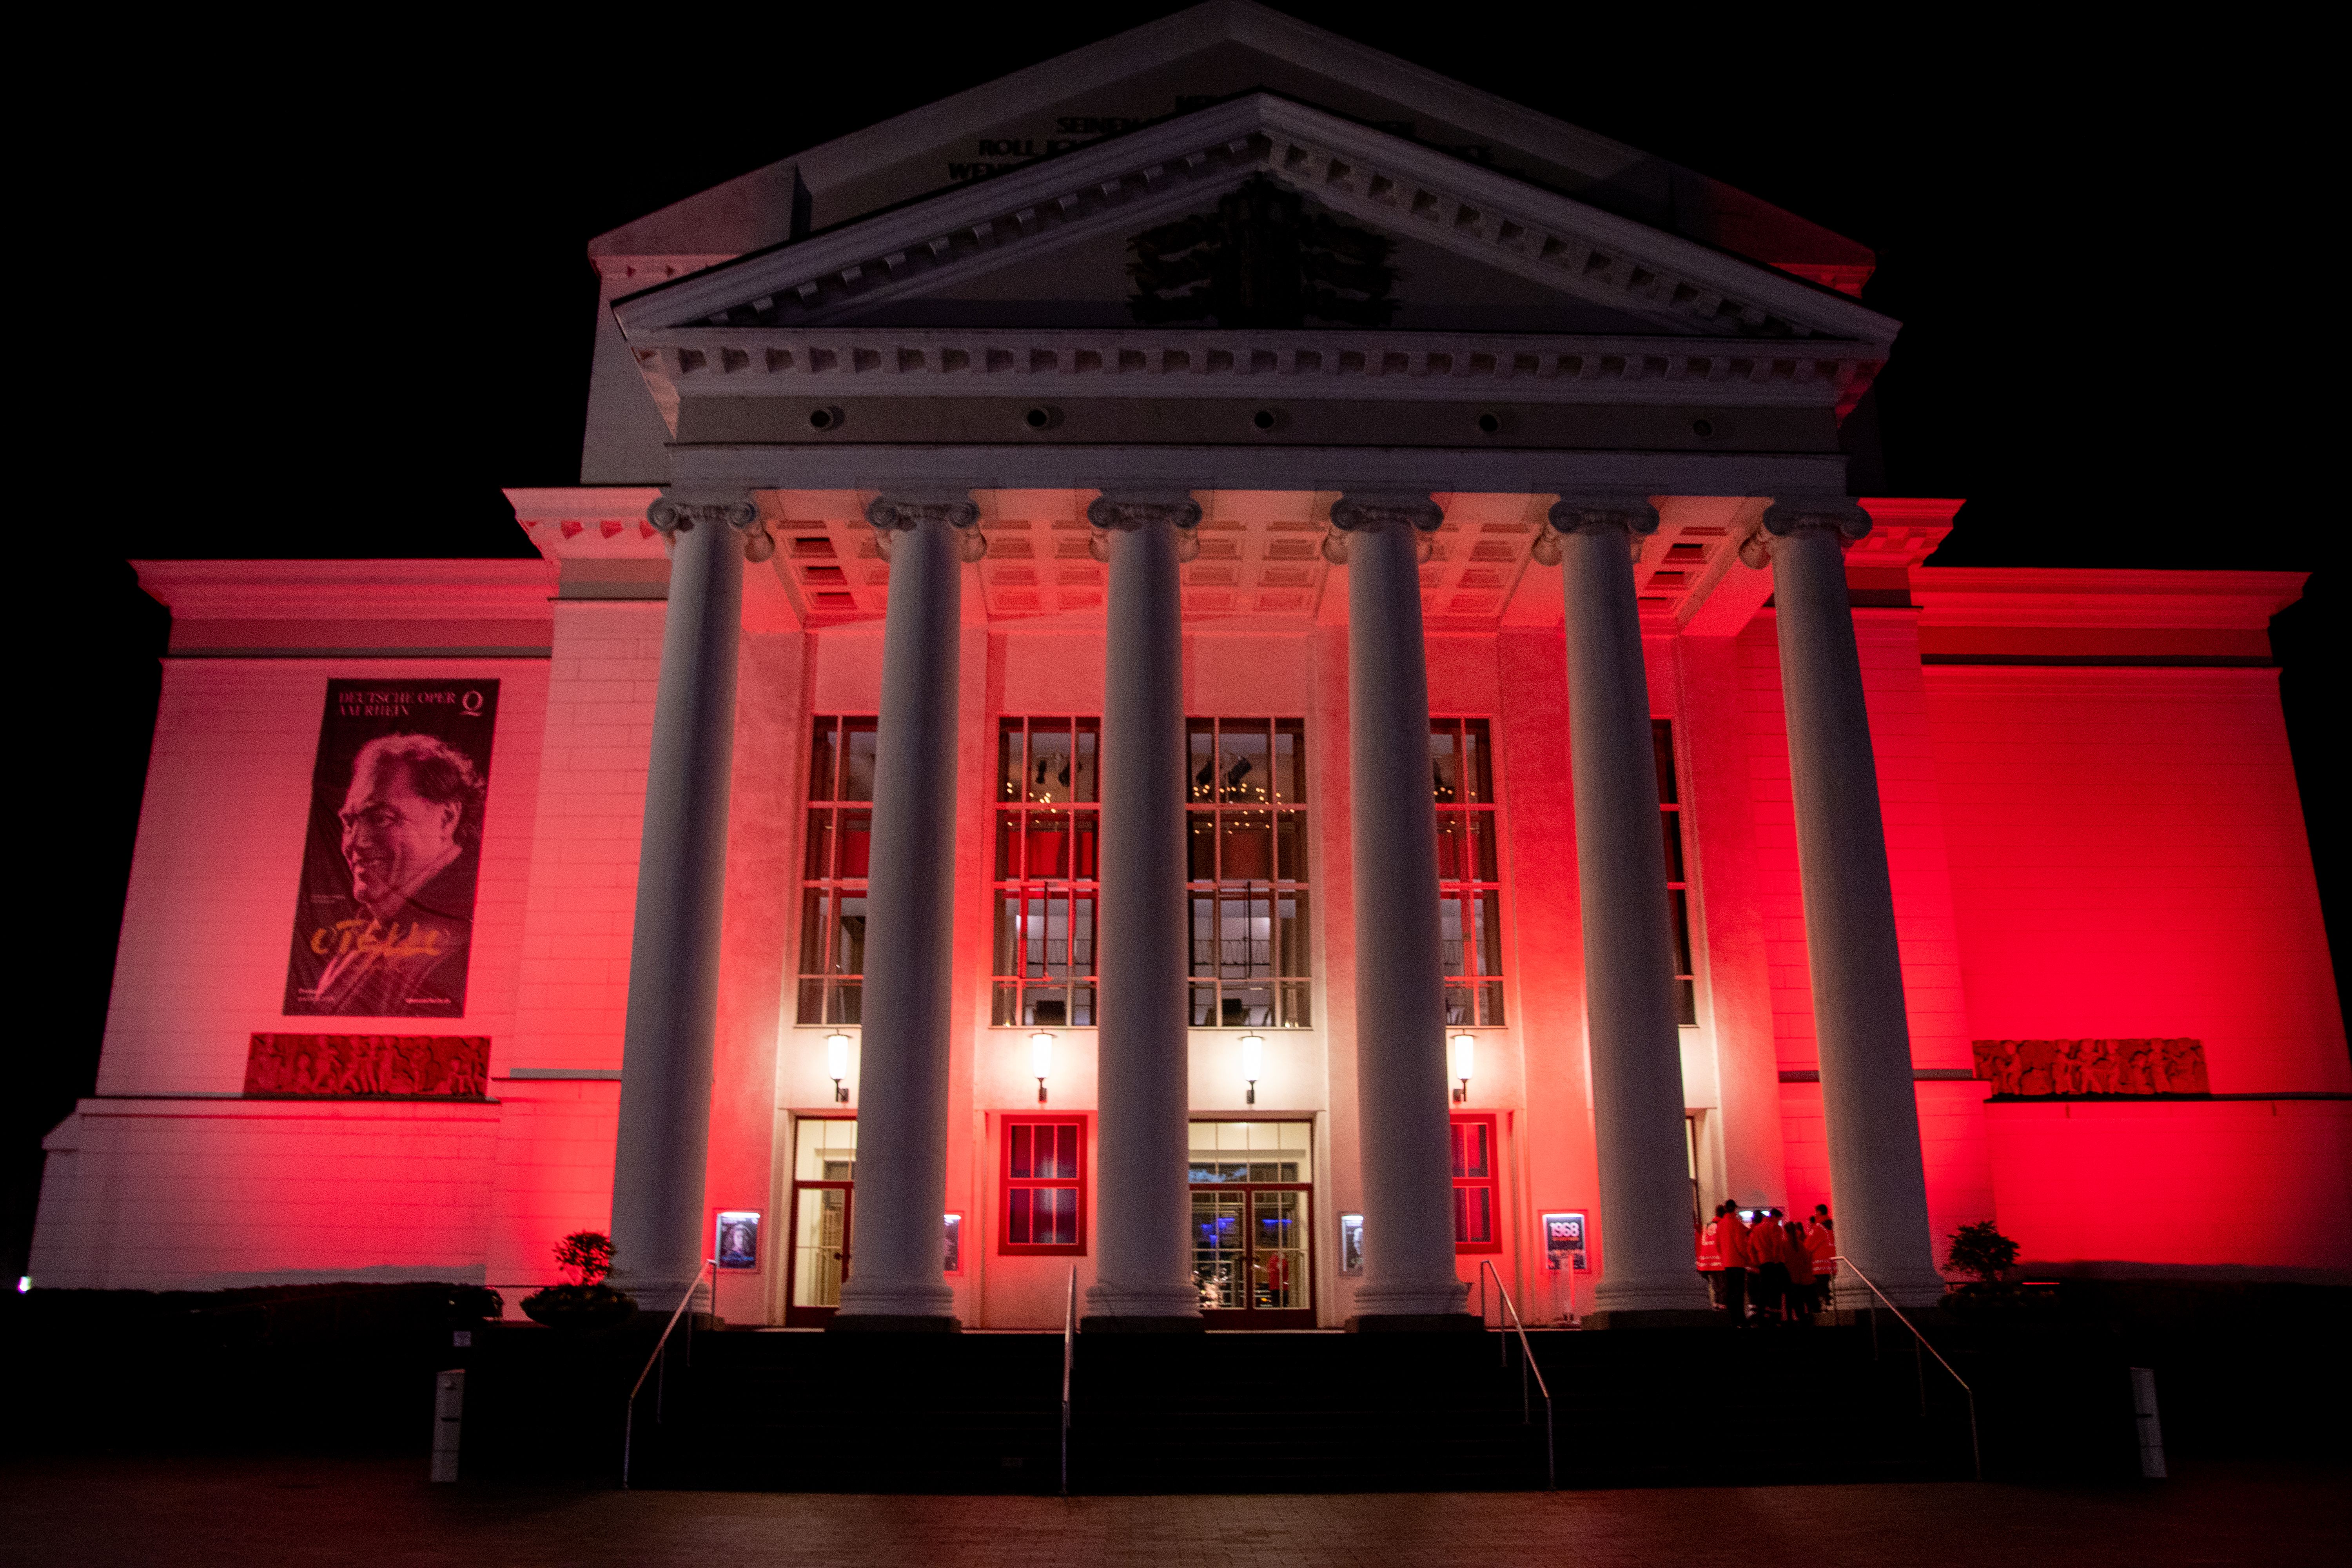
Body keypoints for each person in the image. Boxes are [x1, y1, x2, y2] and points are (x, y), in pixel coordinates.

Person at [290, 733, 487, 1016]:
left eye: (381, 819)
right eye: (349, 822)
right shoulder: (375, 930)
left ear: (447, 819)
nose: (353, 843)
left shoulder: (463, 944)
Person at [1747, 1207, 1788, 1323]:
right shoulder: (1775, 1228)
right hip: (1774, 1264)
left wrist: (1757, 1261)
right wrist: (1776, 1259)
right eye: (1779, 1219)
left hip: (1763, 1263)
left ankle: (1761, 1317)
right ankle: (1776, 1318)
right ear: (1775, 1217)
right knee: (1776, 1292)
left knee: (1764, 1292)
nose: (1779, 1222)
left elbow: (1750, 1248)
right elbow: (1777, 1245)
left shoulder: (1757, 1229)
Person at [1715, 1203, 1750, 1325]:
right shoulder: (1736, 1224)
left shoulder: (1721, 1224)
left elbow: (1717, 1245)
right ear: (1734, 1209)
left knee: (1730, 1291)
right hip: (1738, 1263)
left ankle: (1731, 1318)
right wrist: (1746, 1256)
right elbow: (1740, 1245)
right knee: (1739, 1292)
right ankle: (1740, 1318)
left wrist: (1724, 1256)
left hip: (1726, 1263)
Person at [1808, 1211, 1838, 1307]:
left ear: (1819, 1213)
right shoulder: (1835, 1226)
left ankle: (1825, 1307)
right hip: (1833, 1266)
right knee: (1831, 1289)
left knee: (1822, 1289)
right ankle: (1831, 1305)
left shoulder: (1818, 1228)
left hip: (1820, 1267)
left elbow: (1808, 1245)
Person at [1698, 1204, 1724, 1307]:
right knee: (1722, 1286)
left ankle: (1716, 1304)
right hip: (1719, 1261)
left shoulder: (1707, 1226)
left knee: (1715, 1285)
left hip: (1707, 1261)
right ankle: (1721, 1306)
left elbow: (1702, 1242)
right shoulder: (1721, 1225)